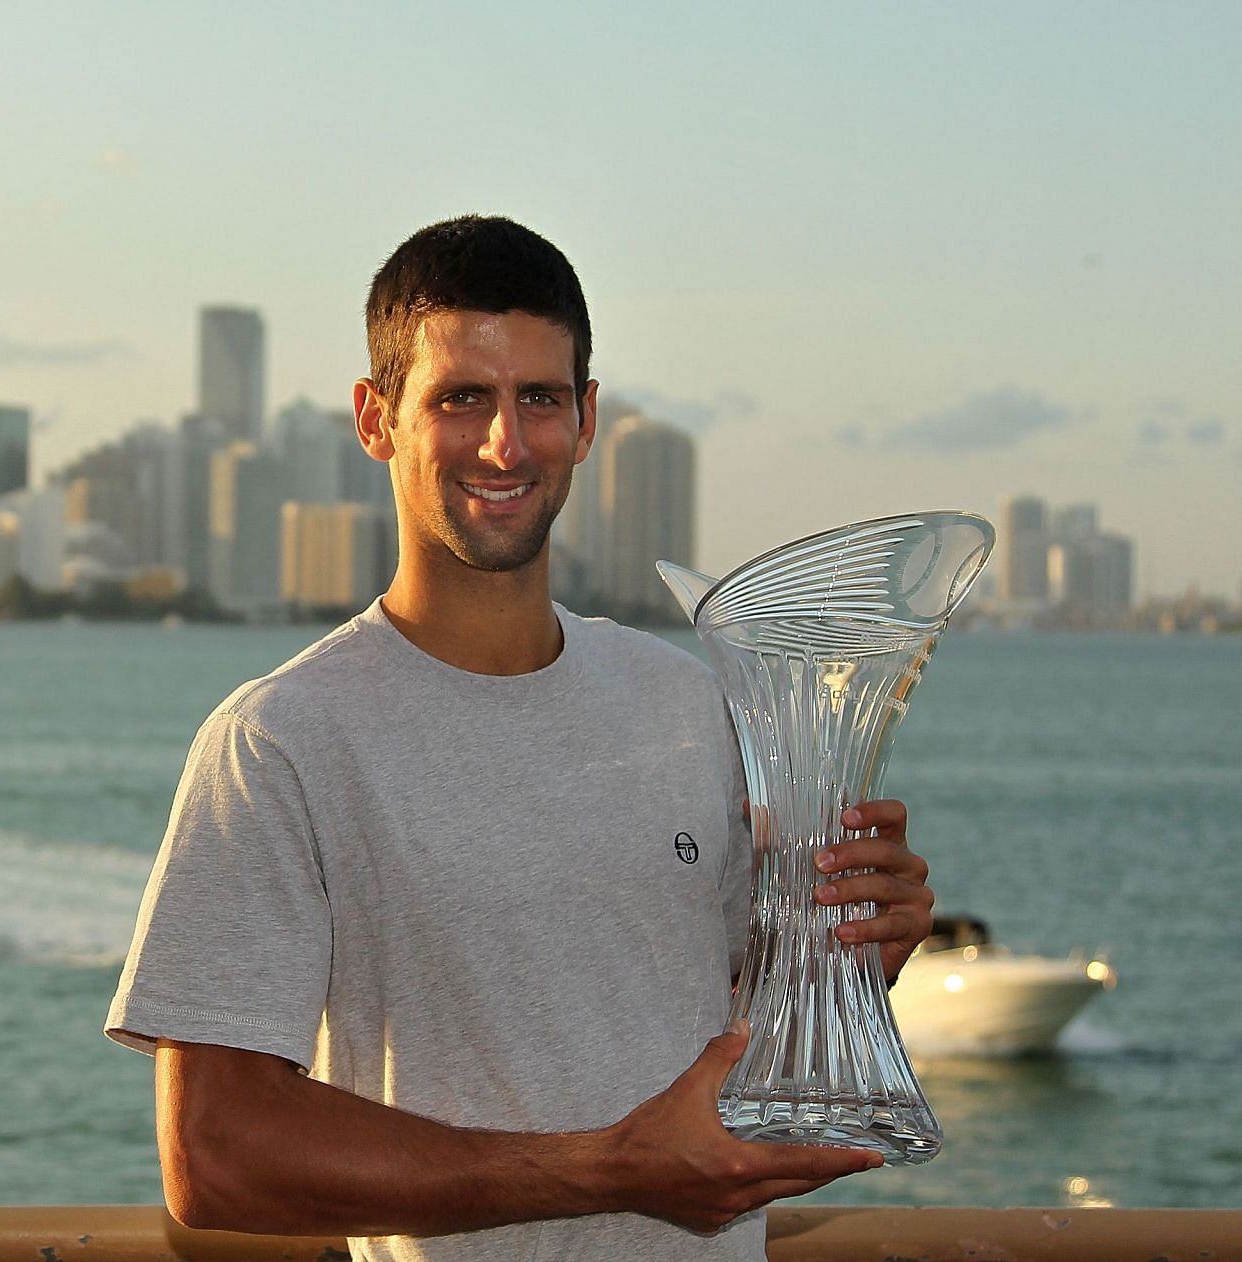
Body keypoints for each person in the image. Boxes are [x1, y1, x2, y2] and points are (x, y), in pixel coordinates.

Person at [105, 215, 936, 1261]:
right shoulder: (281, 740)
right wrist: (610, 1165)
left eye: (539, 397)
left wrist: (853, 954)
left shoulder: (685, 704)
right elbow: (216, 1155)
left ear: (586, 419)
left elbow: (725, 1035)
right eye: (461, 398)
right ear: (376, 418)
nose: (505, 443)